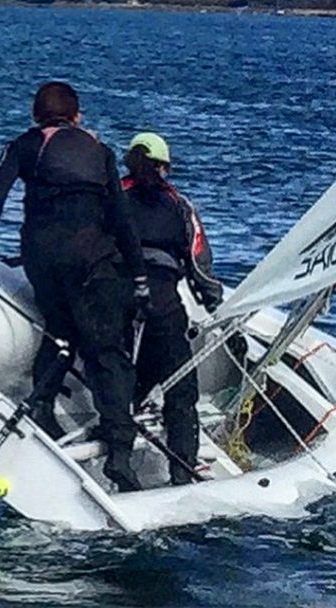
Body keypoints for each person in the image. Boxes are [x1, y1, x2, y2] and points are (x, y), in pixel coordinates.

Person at [0, 81, 149, 492]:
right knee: (105, 352)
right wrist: (138, 276)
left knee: (60, 331)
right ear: (77, 117)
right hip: (92, 260)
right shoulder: (100, 152)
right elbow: (120, 218)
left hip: (42, 259)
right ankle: (120, 453)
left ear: (36, 117)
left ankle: (43, 411)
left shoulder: (25, 145)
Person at [121, 131, 223, 485]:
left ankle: (118, 456)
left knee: (123, 376)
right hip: (162, 302)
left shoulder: (110, 198)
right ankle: (182, 470)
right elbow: (198, 265)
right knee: (180, 389)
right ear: (164, 168)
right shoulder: (179, 205)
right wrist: (215, 304)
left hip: (116, 299)